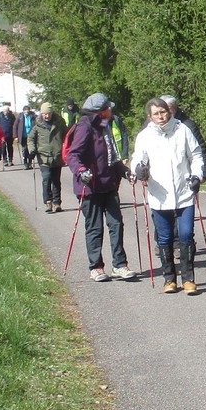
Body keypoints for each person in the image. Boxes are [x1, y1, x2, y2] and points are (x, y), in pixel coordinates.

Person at [130, 98, 206, 294]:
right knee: (164, 237)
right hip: (159, 194)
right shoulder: (145, 136)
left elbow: (196, 155)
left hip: (184, 192)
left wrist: (197, 175)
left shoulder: (183, 130)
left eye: (163, 112)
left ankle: (188, 279)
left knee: (186, 234)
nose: (160, 116)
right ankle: (169, 279)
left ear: (169, 112)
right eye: (156, 114)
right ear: (150, 116)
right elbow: (138, 158)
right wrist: (139, 169)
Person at [65, 92, 137, 283]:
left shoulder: (105, 125)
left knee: (116, 225)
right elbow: (73, 155)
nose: (111, 110)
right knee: (95, 228)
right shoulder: (84, 127)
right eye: (108, 108)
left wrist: (125, 171)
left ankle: (119, 265)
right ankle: (96, 267)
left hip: (109, 184)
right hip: (90, 187)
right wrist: (81, 171)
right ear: (100, 111)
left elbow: (111, 157)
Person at [29, 101, 68, 213]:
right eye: (44, 114)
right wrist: (32, 150)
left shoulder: (60, 122)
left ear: (52, 113)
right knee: (46, 178)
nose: (46, 116)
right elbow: (31, 138)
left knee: (56, 181)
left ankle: (57, 203)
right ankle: (48, 202)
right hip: (43, 156)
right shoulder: (37, 123)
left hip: (57, 156)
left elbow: (67, 136)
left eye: (48, 114)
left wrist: (67, 150)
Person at [160, 94, 206, 179]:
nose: (164, 114)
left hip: (185, 176)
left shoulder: (187, 126)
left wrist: (203, 173)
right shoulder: (151, 126)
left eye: (168, 109)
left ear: (174, 108)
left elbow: (199, 150)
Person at [14, 104, 36, 169]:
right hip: (22, 136)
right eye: (25, 110)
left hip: (30, 136)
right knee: (24, 149)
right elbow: (15, 126)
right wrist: (15, 136)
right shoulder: (20, 117)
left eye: (28, 110)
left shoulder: (33, 116)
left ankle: (30, 162)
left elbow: (35, 125)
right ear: (23, 111)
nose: (26, 111)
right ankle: (25, 162)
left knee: (31, 149)